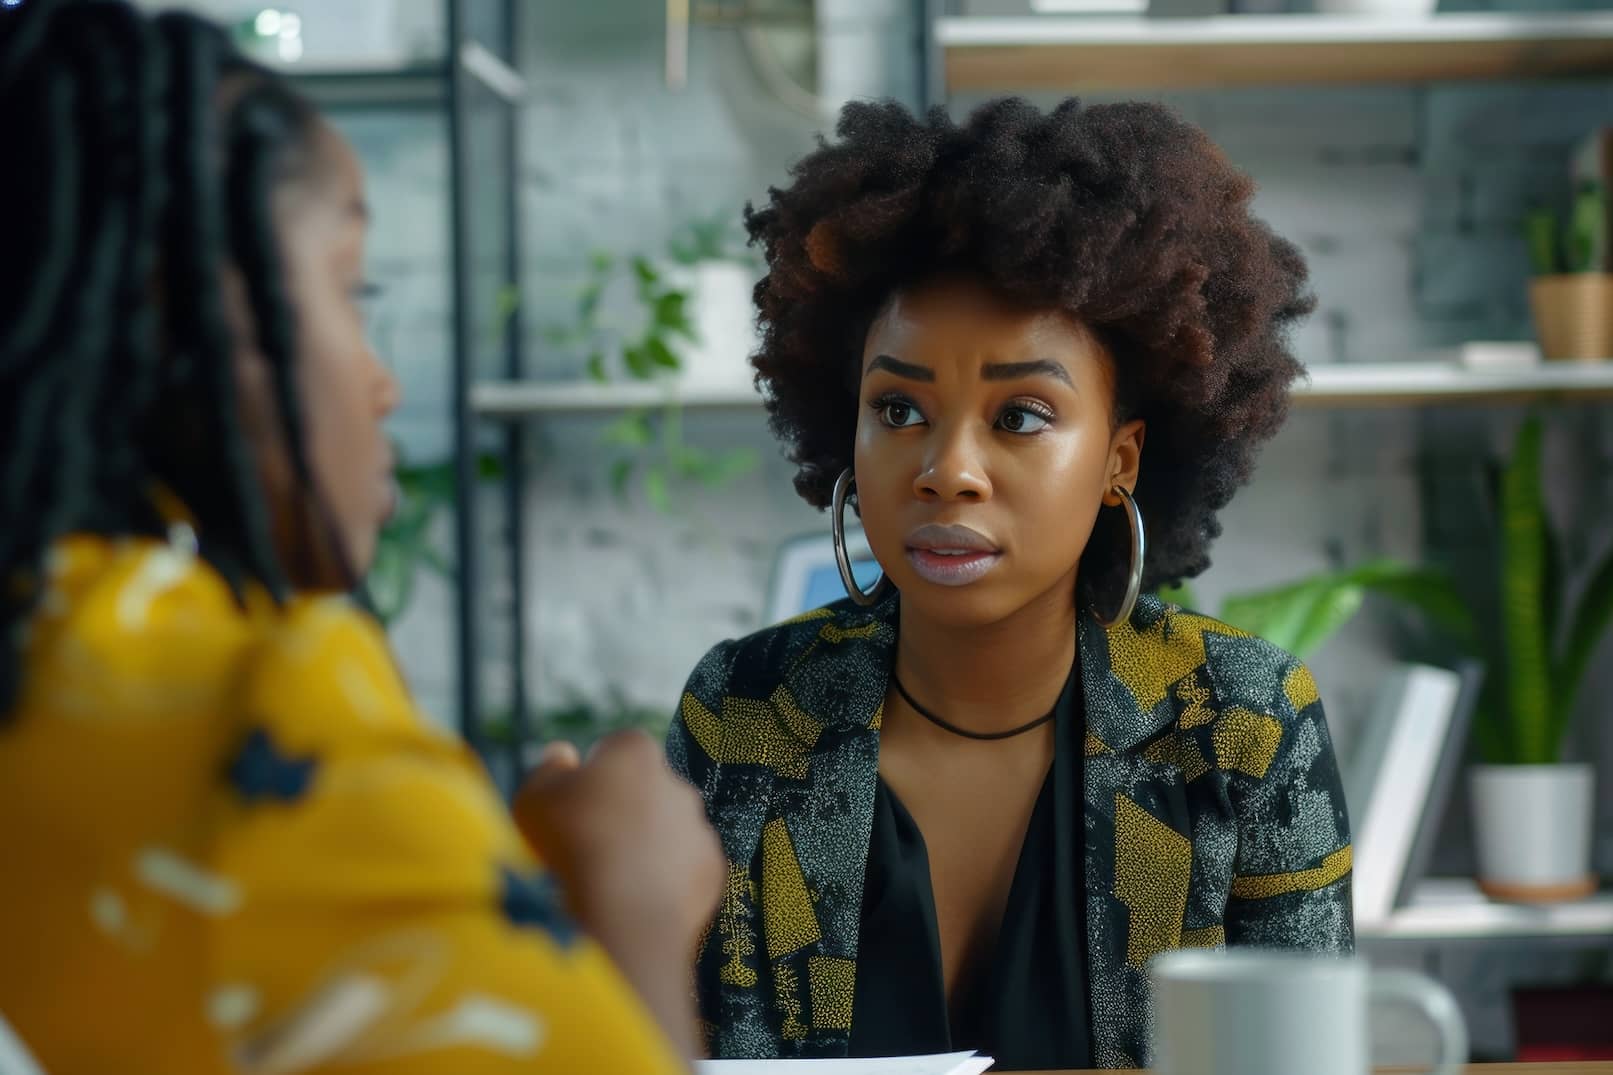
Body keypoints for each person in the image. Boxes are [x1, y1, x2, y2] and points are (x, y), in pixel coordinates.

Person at [0, 2, 722, 1072]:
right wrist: (632, 907)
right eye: (350, 289)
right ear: (179, 318)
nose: (383, 382)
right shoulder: (255, 723)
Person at [669, 97, 1354, 1070]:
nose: (947, 469)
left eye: (1021, 415)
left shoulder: (1238, 725)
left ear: (1120, 459)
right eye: (897, 407)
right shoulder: (741, 716)